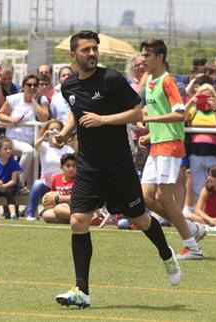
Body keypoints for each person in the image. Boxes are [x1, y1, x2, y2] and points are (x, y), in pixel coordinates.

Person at [53, 31, 181, 309]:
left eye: (94, 49)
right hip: (88, 166)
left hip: (118, 167)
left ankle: (165, 253)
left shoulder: (110, 78)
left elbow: (138, 113)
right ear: (73, 55)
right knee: (78, 221)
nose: (91, 53)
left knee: (141, 220)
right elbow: (75, 113)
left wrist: (103, 119)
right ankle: (82, 291)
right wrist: (63, 133)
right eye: (85, 49)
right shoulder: (69, 85)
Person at [137, 38, 206, 261]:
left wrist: (150, 119)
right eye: (142, 54)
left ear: (160, 57)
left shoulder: (168, 81)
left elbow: (180, 114)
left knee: (165, 198)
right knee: (146, 197)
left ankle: (192, 246)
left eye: (147, 55)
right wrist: (150, 133)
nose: (143, 59)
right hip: (158, 143)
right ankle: (190, 228)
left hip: (170, 144)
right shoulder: (149, 80)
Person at [0, 74, 49, 191]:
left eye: (35, 85)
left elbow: (44, 117)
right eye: (29, 85)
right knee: (29, 151)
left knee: (32, 179)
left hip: (32, 141)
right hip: (12, 140)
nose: (32, 87)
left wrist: (33, 100)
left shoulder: (41, 99)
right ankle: (17, 182)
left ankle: (26, 202)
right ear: (23, 86)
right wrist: (12, 120)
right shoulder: (15, 98)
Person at [186, 83, 216, 205]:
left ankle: (215, 213)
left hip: (215, 156)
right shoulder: (193, 110)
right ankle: (200, 215)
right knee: (198, 189)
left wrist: (214, 108)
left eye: (209, 96)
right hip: (196, 155)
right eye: (202, 96)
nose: (206, 98)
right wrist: (190, 103)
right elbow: (182, 119)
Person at [25, 119, 75, 220]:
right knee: (37, 184)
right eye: (51, 129)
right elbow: (36, 146)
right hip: (47, 184)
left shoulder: (68, 149)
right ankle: (30, 213)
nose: (54, 131)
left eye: (58, 129)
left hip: (63, 185)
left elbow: (73, 166)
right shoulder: (44, 146)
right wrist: (44, 136)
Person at [0, 137, 21, 219]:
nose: (8, 151)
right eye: (5, 149)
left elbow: (13, 181)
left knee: (10, 193)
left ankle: (13, 214)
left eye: (10, 148)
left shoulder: (14, 163)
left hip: (9, 186)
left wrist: (4, 186)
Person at [42, 153, 76, 224]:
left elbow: (78, 197)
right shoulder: (56, 178)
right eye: (68, 166)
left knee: (58, 209)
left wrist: (60, 198)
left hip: (75, 206)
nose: (71, 168)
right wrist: (49, 201)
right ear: (61, 167)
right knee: (46, 215)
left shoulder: (78, 180)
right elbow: (52, 194)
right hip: (62, 207)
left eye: (74, 166)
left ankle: (85, 218)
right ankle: (78, 221)